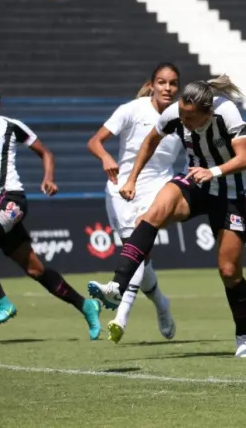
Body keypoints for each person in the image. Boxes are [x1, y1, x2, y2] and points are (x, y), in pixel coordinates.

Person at [89, 77, 246, 357]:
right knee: (150, 214)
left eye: (190, 118)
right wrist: (131, 179)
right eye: (181, 114)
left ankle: (244, 337)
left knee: (229, 271)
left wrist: (213, 172)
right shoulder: (176, 113)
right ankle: (117, 287)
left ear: (207, 113)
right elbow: (150, 141)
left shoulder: (226, 111)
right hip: (195, 181)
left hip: (231, 193)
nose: (183, 121)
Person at [0, 80, 102, 339]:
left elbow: (46, 152)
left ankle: (1, 301)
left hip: (10, 199)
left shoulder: (12, 126)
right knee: (35, 269)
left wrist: (48, 177)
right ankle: (86, 305)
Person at [86, 63, 183, 344]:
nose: (167, 88)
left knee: (136, 251)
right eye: (162, 82)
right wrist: (105, 157)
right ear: (152, 84)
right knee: (141, 256)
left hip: (158, 191)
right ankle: (161, 304)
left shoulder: (182, 118)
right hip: (121, 190)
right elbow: (95, 141)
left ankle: (121, 318)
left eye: (173, 83)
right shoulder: (133, 109)